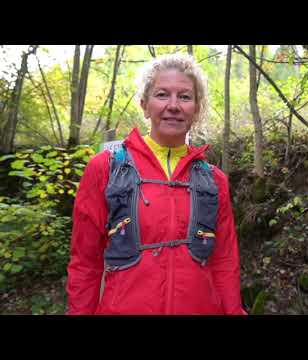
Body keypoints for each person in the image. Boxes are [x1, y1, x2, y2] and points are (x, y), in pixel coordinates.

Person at [66, 53, 247, 315]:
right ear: (144, 104)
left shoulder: (213, 179)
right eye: (162, 94)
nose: (173, 105)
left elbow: (224, 260)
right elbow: (85, 261)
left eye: (185, 97)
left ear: (196, 109)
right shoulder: (106, 168)